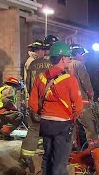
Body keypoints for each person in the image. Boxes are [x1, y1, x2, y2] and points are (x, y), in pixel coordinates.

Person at [28, 42, 83, 175]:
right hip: (62, 124)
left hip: (46, 123)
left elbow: (32, 103)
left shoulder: (40, 78)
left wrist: (43, 113)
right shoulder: (70, 79)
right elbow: (79, 106)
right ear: (62, 58)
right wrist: (72, 118)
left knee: (47, 158)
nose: (69, 60)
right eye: (68, 58)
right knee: (59, 162)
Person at [19, 39, 52, 170]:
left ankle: (25, 157)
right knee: (50, 131)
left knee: (33, 130)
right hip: (48, 104)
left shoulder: (31, 64)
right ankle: (46, 160)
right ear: (41, 51)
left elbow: (27, 84)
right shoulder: (52, 64)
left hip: (34, 101)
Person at [68, 44, 96, 145]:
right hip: (82, 101)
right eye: (82, 54)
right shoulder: (79, 64)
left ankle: (73, 146)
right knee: (90, 126)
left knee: (72, 126)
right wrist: (91, 94)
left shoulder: (65, 64)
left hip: (68, 102)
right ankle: (94, 148)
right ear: (79, 54)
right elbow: (85, 82)